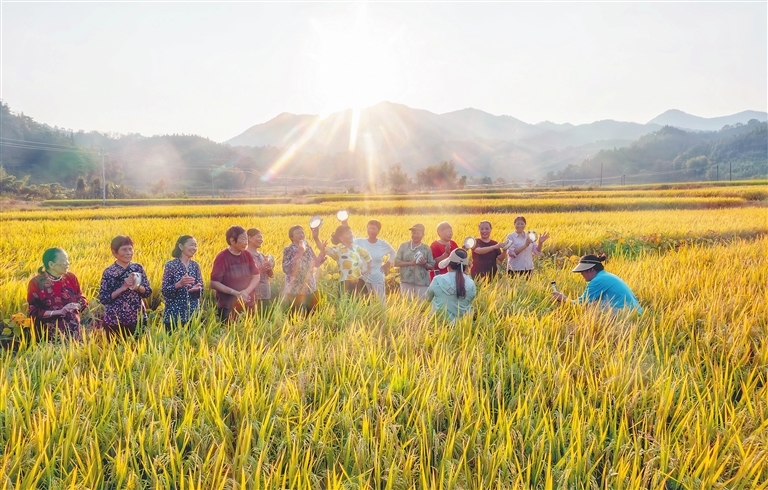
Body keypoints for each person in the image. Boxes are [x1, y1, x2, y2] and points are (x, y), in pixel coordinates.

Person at [27, 248, 88, 341]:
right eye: (64, 261)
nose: (68, 263)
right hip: (48, 336)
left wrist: (77, 305)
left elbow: (82, 298)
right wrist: (59, 312)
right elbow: (33, 311)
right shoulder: (36, 283)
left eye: (67, 259)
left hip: (74, 332)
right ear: (51, 264)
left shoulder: (71, 278)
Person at [98, 236, 152, 338]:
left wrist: (137, 286)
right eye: (124, 249)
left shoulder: (137, 268)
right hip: (115, 320)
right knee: (115, 351)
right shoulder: (109, 272)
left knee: (138, 349)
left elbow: (148, 292)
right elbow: (104, 298)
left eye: (130, 249)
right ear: (114, 252)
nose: (128, 252)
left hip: (137, 317)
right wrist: (123, 287)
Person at [553, 254, 642, 313]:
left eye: (582, 271)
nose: (581, 274)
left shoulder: (598, 280)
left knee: (591, 313)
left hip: (626, 314)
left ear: (591, 269)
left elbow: (580, 304)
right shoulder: (606, 276)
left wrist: (563, 298)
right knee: (593, 306)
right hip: (635, 311)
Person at [209, 226, 260, 322]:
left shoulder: (247, 254)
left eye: (247, 239)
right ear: (232, 241)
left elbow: (256, 275)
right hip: (228, 306)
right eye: (243, 239)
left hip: (249, 303)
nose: (246, 242)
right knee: (228, 334)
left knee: (250, 333)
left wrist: (246, 291)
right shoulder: (222, 257)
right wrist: (236, 293)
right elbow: (214, 283)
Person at [313, 224, 372, 296]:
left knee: (364, 305)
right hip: (346, 284)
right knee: (346, 305)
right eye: (348, 233)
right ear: (341, 238)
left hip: (360, 283)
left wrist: (369, 269)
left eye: (351, 233)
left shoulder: (357, 248)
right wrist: (316, 238)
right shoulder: (338, 250)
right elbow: (323, 249)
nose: (351, 235)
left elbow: (367, 256)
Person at [282, 225, 327, 314]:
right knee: (295, 316)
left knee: (313, 314)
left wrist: (322, 253)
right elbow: (286, 268)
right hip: (295, 289)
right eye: (298, 233)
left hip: (310, 287)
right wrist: (299, 253)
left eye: (302, 232)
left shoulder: (308, 247)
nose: (301, 234)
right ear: (291, 237)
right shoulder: (288, 249)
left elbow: (316, 263)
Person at [161, 235, 203, 329]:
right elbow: (165, 291)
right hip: (174, 316)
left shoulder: (195, 265)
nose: (194, 248)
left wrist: (197, 289)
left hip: (193, 315)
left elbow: (201, 290)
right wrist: (179, 284)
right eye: (191, 245)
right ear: (181, 246)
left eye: (195, 245)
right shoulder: (171, 265)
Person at [426, 249, 477, 323]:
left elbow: (428, 298)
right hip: (462, 326)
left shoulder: (437, 280)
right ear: (465, 267)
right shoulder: (471, 283)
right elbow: (470, 300)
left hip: (439, 324)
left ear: (448, 265)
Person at [353, 219, 397, 302]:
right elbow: (347, 242)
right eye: (369, 228)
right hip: (364, 277)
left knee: (380, 301)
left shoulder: (382, 244)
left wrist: (388, 264)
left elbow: (393, 252)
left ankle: (382, 315)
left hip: (377, 276)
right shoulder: (360, 242)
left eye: (374, 229)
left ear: (378, 231)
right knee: (365, 301)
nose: (371, 231)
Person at [394, 223, 435, 299]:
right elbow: (396, 262)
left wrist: (425, 264)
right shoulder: (403, 246)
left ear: (423, 234)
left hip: (422, 282)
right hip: (406, 281)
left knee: (422, 305)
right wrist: (410, 263)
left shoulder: (426, 248)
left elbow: (432, 266)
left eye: (418, 233)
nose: (415, 235)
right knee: (407, 304)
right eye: (413, 233)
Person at [247, 228, 274, 312]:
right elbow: (245, 275)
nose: (261, 240)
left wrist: (270, 268)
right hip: (253, 295)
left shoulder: (262, 255)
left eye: (261, 238)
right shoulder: (245, 255)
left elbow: (270, 275)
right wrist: (262, 268)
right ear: (249, 238)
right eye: (258, 237)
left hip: (265, 293)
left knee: (265, 319)